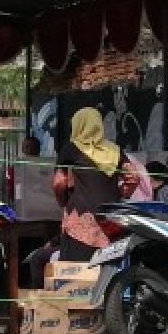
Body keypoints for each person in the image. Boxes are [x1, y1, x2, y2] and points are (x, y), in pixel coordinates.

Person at [52, 107, 123, 262]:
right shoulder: (115, 150)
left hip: (81, 219)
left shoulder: (72, 149)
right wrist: (121, 193)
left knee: (76, 275)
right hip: (111, 220)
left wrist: (63, 201)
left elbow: (59, 182)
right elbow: (133, 177)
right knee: (107, 272)